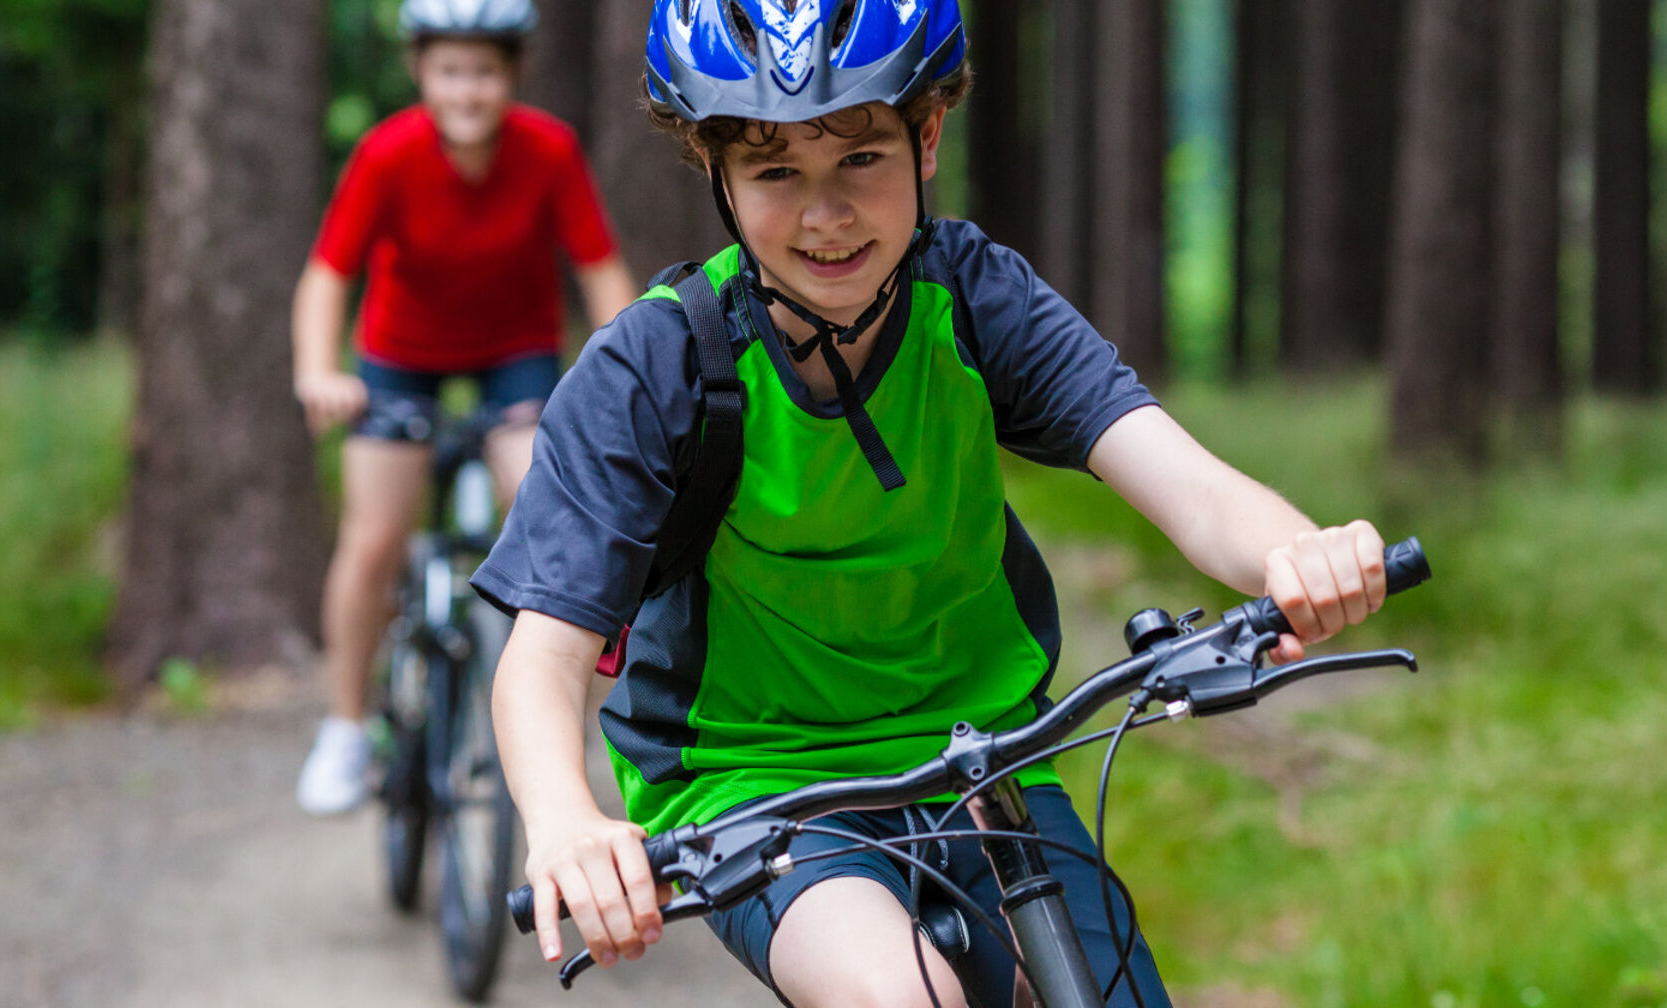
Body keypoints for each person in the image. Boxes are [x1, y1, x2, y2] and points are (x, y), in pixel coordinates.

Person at [474, 1, 1388, 1004]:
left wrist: (1297, 554)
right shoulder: (656, 366)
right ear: (714, 169)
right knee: (904, 996)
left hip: (988, 758)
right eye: (777, 171)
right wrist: (562, 816)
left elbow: (1188, 483)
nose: (826, 215)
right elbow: (544, 657)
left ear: (928, 136)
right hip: (760, 787)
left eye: (860, 156)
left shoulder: (978, 300)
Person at [292, 0, 638, 816]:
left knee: (545, 506)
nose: (467, 91)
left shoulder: (548, 150)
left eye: (484, 72)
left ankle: (553, 707)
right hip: (399, 356)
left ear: (512, 74)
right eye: (449, 71)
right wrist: (319, 370)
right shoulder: (387, 155)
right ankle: (344, 726)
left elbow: (601, 269)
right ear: (420, 72)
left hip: (513, 357)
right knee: (375, 538)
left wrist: (626, 365)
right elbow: (328, 274)